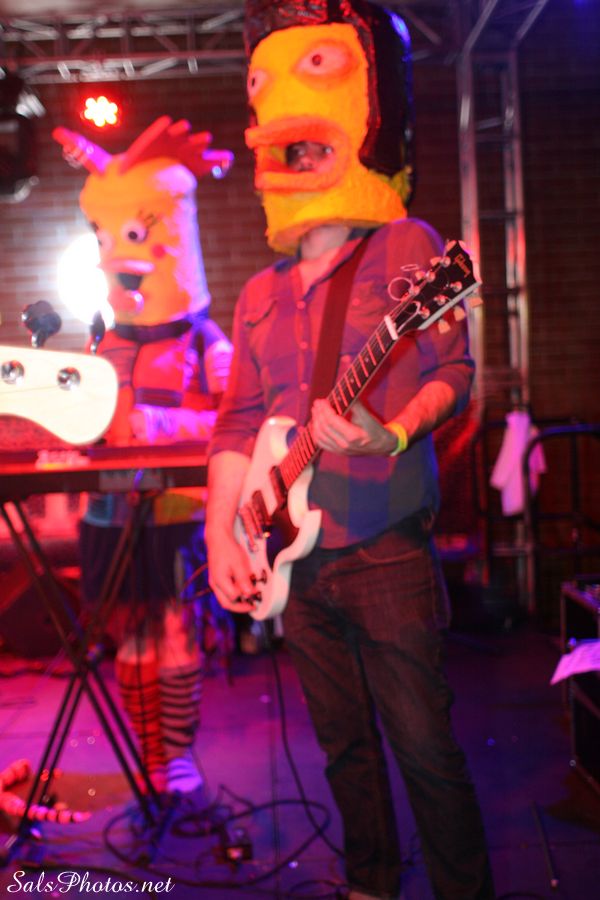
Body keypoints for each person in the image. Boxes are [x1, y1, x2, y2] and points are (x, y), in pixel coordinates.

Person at [205, 2, 495, 898]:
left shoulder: (408, 246)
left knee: (425, 747)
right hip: (291, 555)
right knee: (342, 747)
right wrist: (222, 534)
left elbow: (456, 370)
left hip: (383, 547)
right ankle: (369, 882)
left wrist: (390, 431)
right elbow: (237, 425)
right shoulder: (257, 294)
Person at [54, 117, 234, 795]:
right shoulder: (105, 344)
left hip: (178, 514)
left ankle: (175, 757)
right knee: (131, 636)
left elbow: (235, 423)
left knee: (176, 632)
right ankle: (151, 757)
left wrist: (160, 424)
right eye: (104, 238)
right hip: (113, 514)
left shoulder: (205, 342)